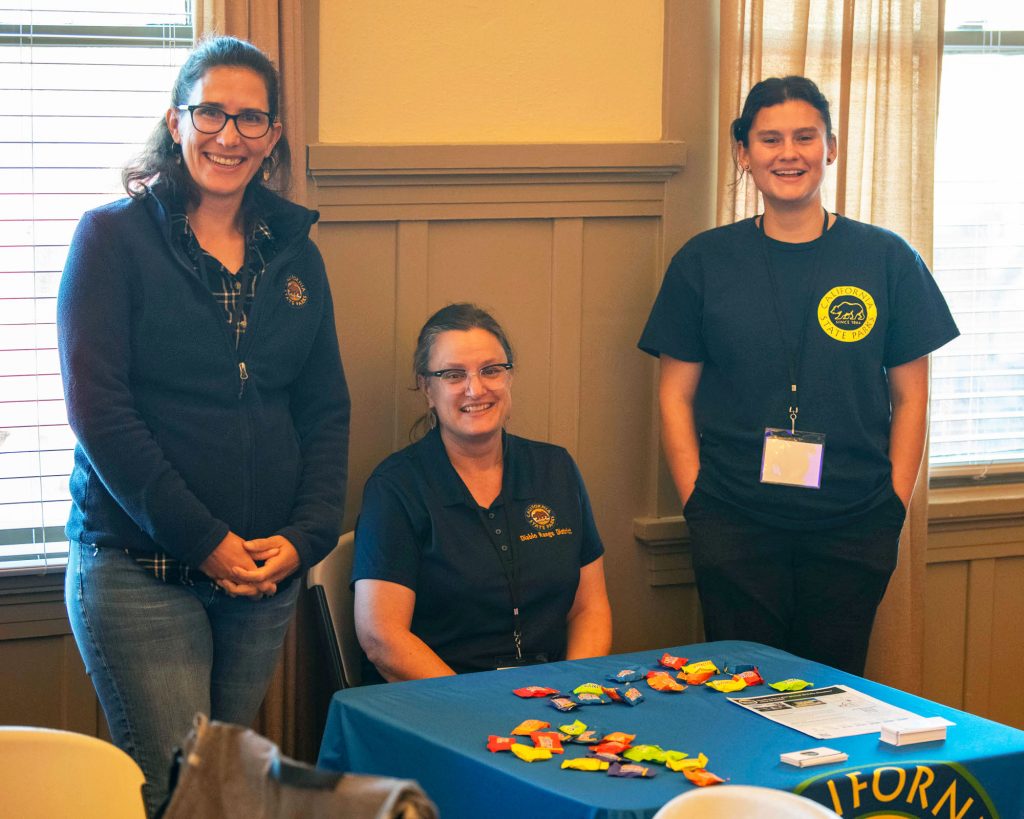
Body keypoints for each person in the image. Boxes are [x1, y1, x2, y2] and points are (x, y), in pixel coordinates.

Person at [58, 36, 350, 816]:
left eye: (251, 118)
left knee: (220, 789)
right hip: (139, 575)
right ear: (176, 121)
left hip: (263, 577)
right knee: (182, 793)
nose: (230, 135)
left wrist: (308, 536)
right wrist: (205, 541)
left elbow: (325, 410)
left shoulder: (295, 256)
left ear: (275, 134)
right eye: (211, 112)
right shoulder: (111, 240)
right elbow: (101, 415)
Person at [638, 76, 958, 676]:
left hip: (853, 523)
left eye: (805, 137)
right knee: (742, 695)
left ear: (830, 147)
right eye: (770, 139)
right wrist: (699, 505)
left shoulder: (887, 259)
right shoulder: (703, 262)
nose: (789, 153)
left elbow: (912, 398)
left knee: (832, 700)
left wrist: (891, 504)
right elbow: (674, 396)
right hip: (733, 520)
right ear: (744, 153)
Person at [352, 303, 612, 682]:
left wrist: (573, 692)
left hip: (554, 702)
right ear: (427, 388)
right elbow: (382, 637)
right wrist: (475, 706)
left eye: (491, 370)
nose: (476, 388)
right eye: (454, 375)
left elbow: (589, 609)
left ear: (509, 377)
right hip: (442, 703)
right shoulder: (395, 487)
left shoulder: (555, 469)